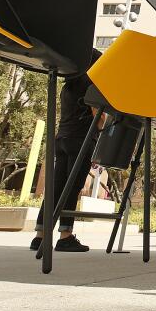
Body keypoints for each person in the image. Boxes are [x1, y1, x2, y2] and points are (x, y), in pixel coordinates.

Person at [30, 56, 103, 253]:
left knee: (55, 189)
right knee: (71, 189)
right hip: (81, 141)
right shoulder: (92, 84)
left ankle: (40, 235)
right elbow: (98, 117)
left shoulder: (67, 85)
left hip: (62, 139)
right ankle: (65, 235)